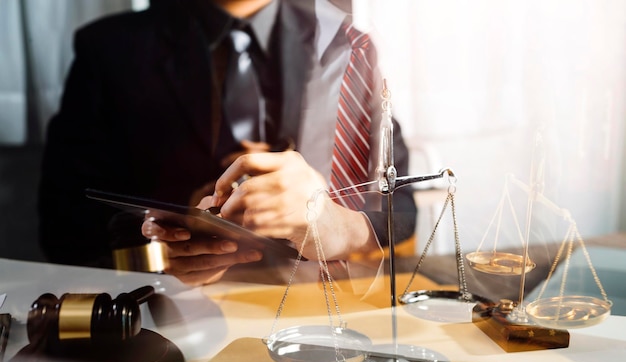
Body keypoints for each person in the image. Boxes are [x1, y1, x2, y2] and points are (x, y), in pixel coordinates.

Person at [38, 0, 417, 285]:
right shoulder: (111, 50)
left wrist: (335, 225)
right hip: (170, 314)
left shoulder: (346, 47)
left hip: (319, 310)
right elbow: (64, 222)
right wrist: (159, 255)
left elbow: (399, 207)